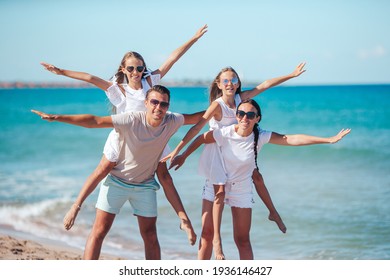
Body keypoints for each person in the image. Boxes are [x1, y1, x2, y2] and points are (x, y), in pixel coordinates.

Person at [40, 24, 208, 245]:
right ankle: (76, 206)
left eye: (139, 68)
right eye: (131, 69)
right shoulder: (118, 89)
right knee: (103, 169)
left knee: (164, 176)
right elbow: (90, 77)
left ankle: (184, 220)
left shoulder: (150, 82)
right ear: (123, 69)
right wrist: (62, 72)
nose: (136, 73)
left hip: (153, 136)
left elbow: (172, 59)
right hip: (124, 139)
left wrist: (193, 38)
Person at [32, 85, 204, 260]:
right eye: (154, 102)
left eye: (163, 104)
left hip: (144, 185)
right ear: (146, 103)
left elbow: (201, 117)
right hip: (117, 181)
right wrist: (58, 117)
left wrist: (225, 106)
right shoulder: (131, 120)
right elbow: (95, 121)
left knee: (150, 235)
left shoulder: (172, 120)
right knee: (99, 231)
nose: (158, 108)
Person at [170, 98, 351, 260]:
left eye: (250, 115)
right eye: (241, 113)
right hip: (215, 184)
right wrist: (183, 155)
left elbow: (292, 138)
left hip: (241, 188)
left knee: (242, 240)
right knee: (207, 234)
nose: (244, 118)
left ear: (257, 118)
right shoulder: (225, 132)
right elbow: (201, 138)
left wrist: (328, 140)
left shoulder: (260, 136)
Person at [162, 63, 306, 259]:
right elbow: (198, 130)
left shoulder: (241, 99)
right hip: (217, 152)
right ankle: (217, 244)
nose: (230, 83)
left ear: (238, 83)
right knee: (219, 193)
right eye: (226, 81)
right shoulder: (217, 105)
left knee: (256, 177)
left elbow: (265, 85)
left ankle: (273, 212)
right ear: (219, 84)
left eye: (234, 80)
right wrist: (179, 150)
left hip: (236, 152)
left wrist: (290, 75)